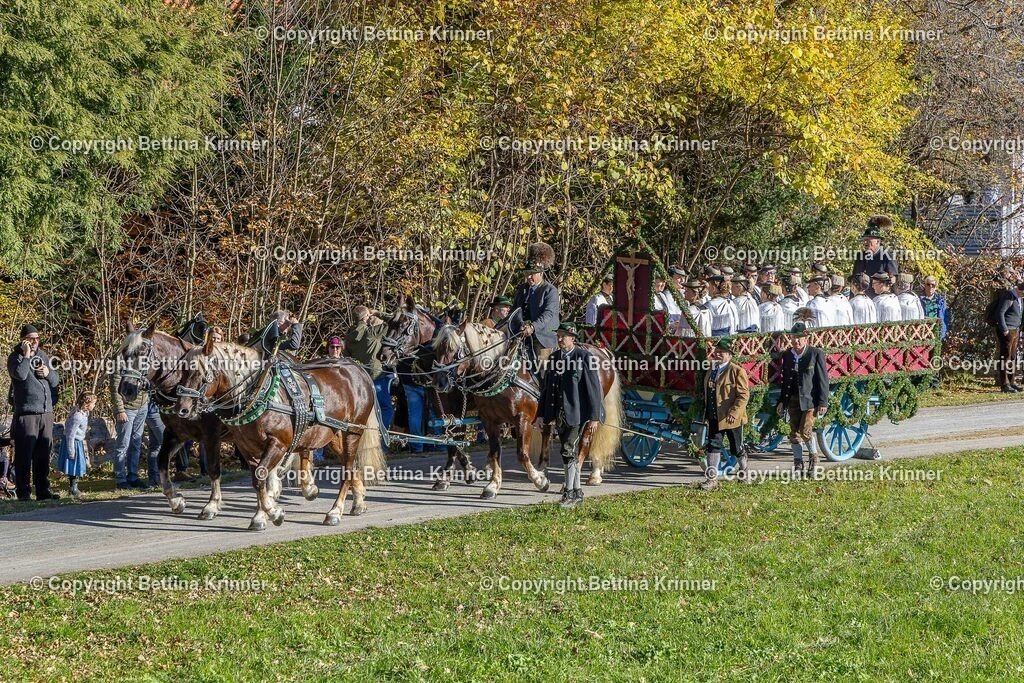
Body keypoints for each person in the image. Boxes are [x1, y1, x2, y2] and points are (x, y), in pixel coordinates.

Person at [539, 322, 604, 509]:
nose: (559, 339)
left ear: (572, 338)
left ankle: (568, 493)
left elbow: (594, 389)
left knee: (567, 450)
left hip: (578, 414)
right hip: (559, 414)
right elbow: (546, 389)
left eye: (563, 336)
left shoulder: (584, 357)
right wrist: (541, 414)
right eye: (558, 335)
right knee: (570, 453)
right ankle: (577, 492)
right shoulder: (554, 358)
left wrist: (594, 417)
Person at [7, 324, 61, 501]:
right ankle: (23, 492)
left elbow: (55, 380)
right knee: (24, 456)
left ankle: (43, 491)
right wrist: (26, 355)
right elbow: (20, 375)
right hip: (27, 414)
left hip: (46, 412)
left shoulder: (43, 355)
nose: (35, 341)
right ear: (23, 340)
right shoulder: (15, 357)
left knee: (43, 455)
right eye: (31, 338)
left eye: (37, 338)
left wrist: (48, 372)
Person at [776, 322, 830, 477]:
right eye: (794, 337)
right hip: (793, 399)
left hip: (810, 400)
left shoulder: (815, 353)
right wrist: (782, 401)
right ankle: (798, 463)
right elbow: (785, 381)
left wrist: (823, 402)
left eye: (799, 338)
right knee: (794, 434)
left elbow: (823, 379)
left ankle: (814, 459)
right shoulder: (788, 355)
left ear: (806, 339)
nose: (796, 341)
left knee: (806, 431)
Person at [699, 337, 750, 490]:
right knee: (713, 446)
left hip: (731, 418)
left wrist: (734, 413)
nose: (718, 354)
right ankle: (711, 479)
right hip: (714, 416)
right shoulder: (712, 369)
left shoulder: (737, 371)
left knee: (736, 448)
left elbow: (743, 395)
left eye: (721, 352)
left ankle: (744, 472)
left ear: (729, 354)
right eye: (717, 351)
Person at [512, 242, 561, 377]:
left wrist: (533, 327)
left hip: (543, 337)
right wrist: (518, 324)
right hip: (521, 334)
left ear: (541, 273)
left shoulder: (550, 291)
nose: (528, 277)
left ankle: (546, 388)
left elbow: (548, 314)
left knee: (543, 369)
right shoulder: (522, 289)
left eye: (532, 274)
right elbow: (515, 311)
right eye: (526, 273)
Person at [345, 305, 395, 427]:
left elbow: (347, 357)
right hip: (375, 375)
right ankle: (381, 433)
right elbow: (393, 321)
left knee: (363, 409)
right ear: (365, 317)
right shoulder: (371, 333)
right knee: (385, 408)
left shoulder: (349, 336)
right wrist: (378, 313)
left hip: (358, 379)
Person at [109, 362, 154, 490]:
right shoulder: (120, 361)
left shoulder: (145, 360)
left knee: (136, 443)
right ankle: (120, 479)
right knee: (123, 444)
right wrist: (120, 410)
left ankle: (133, 476)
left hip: (142, 406)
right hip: (127, 408)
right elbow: (115, 387)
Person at [58, 392, 96, 497]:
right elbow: (70, 434)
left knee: (77, 465)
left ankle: (74, 486)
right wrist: (71, 451)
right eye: (93, 403)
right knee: (73, 465)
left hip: (78, 442)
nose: (94, 405)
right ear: (87, 403)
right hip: (73, 443)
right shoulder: (77, 416)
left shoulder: (84, 413)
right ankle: (73, 487)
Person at [992, 281, 1023, 392]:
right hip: (1007, 330)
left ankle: (1012, 382)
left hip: (1016, 329)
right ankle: (1005, 384)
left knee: (1013, 357)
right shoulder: (1009, 295)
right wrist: (1005, 330)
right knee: (1005, 357)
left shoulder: (1019, 298)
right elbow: (1000, 313)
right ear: (1020, 290)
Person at [852, 215, 899, 286]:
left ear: (877, 241)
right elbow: (854, 278)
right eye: (864, 240)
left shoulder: (887, 256)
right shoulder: (860, 256)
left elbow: (893, 280)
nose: (865, 242)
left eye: (868, 240)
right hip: (861, 292)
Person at [919, 275, 950, 339]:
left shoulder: (940, 301)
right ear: (925, 285)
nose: (930, 287)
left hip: (936, 330)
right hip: (923, 330)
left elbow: (945, 317)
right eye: (928, 284)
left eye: (933, 285)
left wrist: (944, 331)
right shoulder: (918, 299)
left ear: (936, 287)